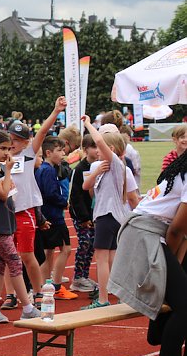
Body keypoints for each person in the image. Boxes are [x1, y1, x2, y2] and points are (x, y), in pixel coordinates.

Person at [108, 152, 187, 356]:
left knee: (182, 299)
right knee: (185, 306)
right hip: (145, 234)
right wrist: (167, 266)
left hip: (148, 231)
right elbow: (177, 229)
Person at [8, 97, 67, 309]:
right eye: (10, 138)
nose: (12, 142)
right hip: (6, 213)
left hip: (24, 210)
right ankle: (11, 294)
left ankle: (37, 291)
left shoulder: (28, 154)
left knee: (26, 255)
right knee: (8, 257)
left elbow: (42, 132)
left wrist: (56, 110)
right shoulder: (1, 156)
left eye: (17, 140)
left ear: (26, 142)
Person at [81, 117, 140, 309]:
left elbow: (99, 140)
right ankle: (120, 296)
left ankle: (103, 298)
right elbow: (85, 186)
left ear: (111, 149)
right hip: (113, 216)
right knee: (113, 257)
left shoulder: (116, 163)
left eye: (101, 148)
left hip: (107, 216)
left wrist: (88, 124)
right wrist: (97, 172)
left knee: (101, 259)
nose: (97, 150)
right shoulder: (102, 166)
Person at [0, 131, 42, 321]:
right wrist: (8, 171)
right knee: (14, 261)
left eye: (8, 148)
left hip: (5, 221)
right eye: (2, 148)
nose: (6, 152)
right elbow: (3, 194)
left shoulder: (0, 168)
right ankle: (27, 307)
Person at [35, 137, 78, 300]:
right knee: (66, 249)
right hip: (53, 216)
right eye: (59, 151)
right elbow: (50, 193)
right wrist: (63, 202)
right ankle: (56, 286)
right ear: (48, 152)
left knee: (49, 251)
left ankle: (45, 286)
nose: (63, 154)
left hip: (47, 214)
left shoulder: (45, 169)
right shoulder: (48, 170)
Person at [68, 135, 99, 294]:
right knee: (84, 242)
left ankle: (84, 276)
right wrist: (83, 217)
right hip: (81, 215)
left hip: (95, 214)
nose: (97, 150)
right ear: (86, 150)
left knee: (92, 244)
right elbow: (75, 196)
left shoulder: (100, 165)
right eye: (94, 147)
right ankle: (77, 277)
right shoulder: (79, 169)